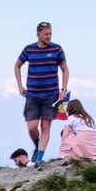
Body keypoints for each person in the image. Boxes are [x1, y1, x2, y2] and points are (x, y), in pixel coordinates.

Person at [13, 22, 68, 165]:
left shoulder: (57, 49)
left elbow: (65, 69)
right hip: (32, 94)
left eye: (50, 33)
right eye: (46, 34)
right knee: (32, 127)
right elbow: (17, 65)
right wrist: (20, 86)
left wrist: (63, 89)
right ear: (38, 34)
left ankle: (38, 159)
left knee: (45, 126)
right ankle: (38, 147)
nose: (49, 36)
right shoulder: (29, 49)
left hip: (51, 94)